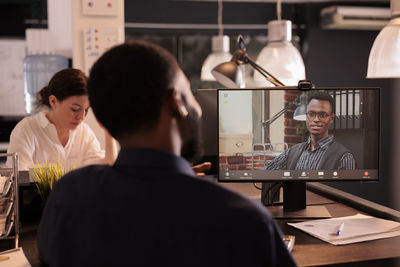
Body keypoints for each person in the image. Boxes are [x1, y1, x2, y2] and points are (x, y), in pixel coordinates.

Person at [37, 41, 297, 266]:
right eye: (188, 91)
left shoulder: (68, 196)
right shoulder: (244, 220)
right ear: (177, 102)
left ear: (104, 122)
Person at [6, 68, 117, 171]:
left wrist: (109, 129)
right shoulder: (27, 130)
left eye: (86, 110)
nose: (81, 117)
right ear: (53, 101)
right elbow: (17, 180)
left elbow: (108, 167)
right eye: (75, 109)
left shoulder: (84, 132)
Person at [266, 91, 356, 170]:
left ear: (331, 118)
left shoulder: (344, 157)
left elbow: (346, 189)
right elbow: (266, 173)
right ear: (306, 116)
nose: (316, 119)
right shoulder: (292, 152)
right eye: (311, 114)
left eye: (322, 115)